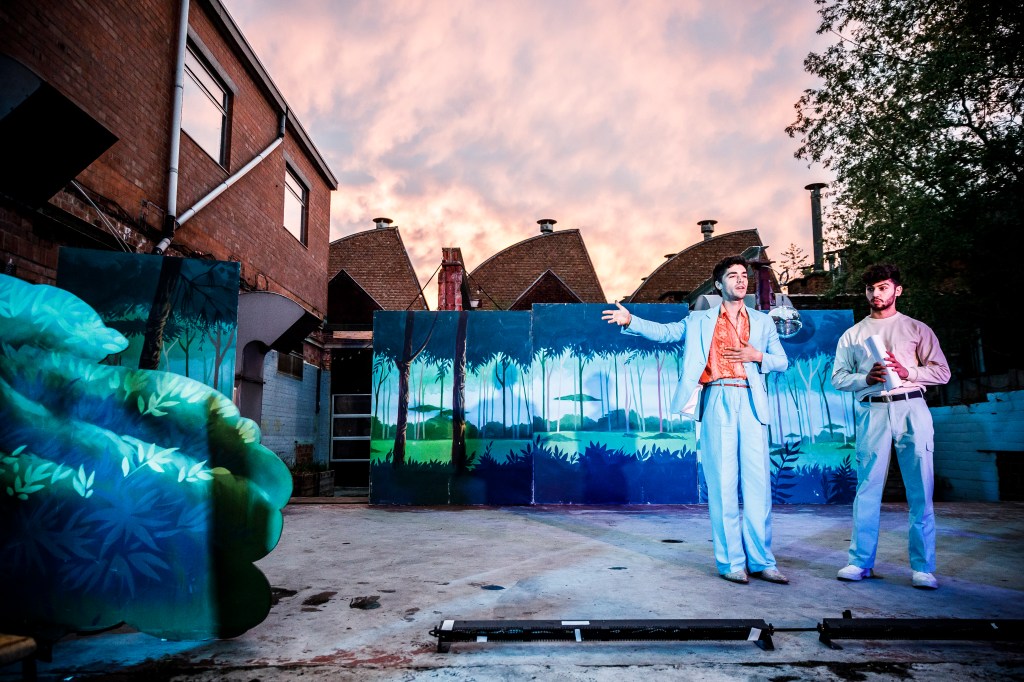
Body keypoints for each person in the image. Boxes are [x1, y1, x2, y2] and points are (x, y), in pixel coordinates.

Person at [602, 255, 790, 584]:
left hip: (752, 401)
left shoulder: (763, 322)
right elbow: (665, 333)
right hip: (718, 397)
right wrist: (631, 321)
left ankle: (762, 561)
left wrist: (757, 356)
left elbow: (782, 362)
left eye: (743, 275)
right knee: (723, 484)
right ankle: (731, 562)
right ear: (718, 284)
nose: (740, 280)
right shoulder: (699, 320)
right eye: (732, 276)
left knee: (758, 485)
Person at [831, 264, 950, 589]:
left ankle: (923, 567)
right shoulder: (853, 334)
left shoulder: (916, 328)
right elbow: (838, 378)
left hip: (911, 406)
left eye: (883, 287)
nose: (876, 293)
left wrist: (909, 372)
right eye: (871, 288)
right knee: (868, 487)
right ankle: (860, 562)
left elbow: (942, 372)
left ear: (897, 290)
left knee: (920, 487)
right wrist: (865, 378)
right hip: (873, 409)